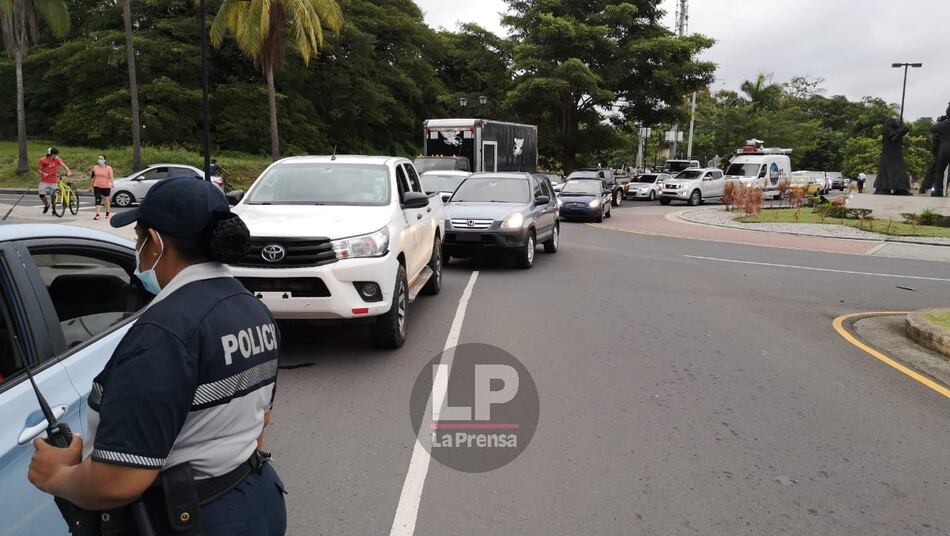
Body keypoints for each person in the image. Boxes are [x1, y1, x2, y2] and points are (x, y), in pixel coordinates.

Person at [27, 177, 287, 535]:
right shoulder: (251, 309)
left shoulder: (164, 334)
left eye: (138, 236)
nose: (137, 247)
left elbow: (118, 480)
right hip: (252, 500)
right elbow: (259, 424)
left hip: (191, 519)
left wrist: (57, 476)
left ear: (157, 243)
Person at [37, 147, 71, 214]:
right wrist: (43, 173)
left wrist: (68, 171)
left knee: (53, 195)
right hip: (44, 180)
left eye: (56, 154)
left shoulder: (56, 159)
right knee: (41, 194)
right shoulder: (42, 160)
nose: (56, 156)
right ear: (50, 154)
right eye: (54, 154)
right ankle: (46, 205)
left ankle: (54, 209)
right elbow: (39, 169)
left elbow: (63, 165)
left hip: (53, 180)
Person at [90, 154, 114, 220]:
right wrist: (91, 186)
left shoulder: (108, 168)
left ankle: (107, 213)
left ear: (104, 160)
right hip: (97, 185)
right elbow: (92, 177)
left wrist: (112, 183)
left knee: (106, 200)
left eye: (101, 159)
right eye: (98, 158)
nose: (99, 160)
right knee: (98, 199)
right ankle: (97, 215)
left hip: (106, 186)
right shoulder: (95, 167)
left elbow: (111, 177)